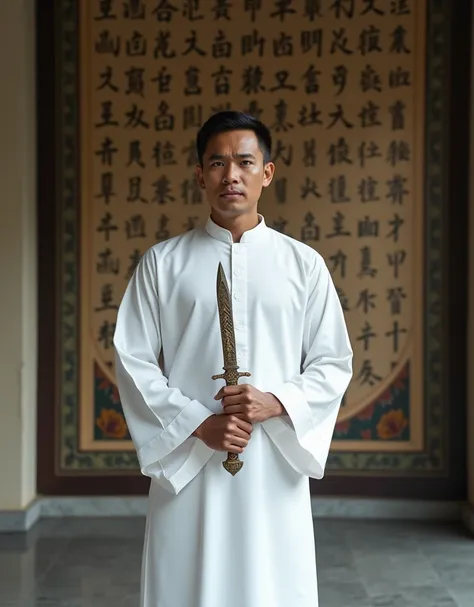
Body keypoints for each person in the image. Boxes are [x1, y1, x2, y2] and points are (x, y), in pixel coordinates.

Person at [113, 111, 353, 607]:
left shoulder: (303, 265)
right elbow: (133, 360)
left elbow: (333, 361)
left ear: (267, 172)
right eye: (217, 163)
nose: (231, 175)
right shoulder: (163, 263)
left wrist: (277, 402)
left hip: (273, 461)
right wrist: (200, 424)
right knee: (185, 583)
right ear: (200, 174)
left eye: (245, 162)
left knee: (272, 585)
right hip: (190, 461)